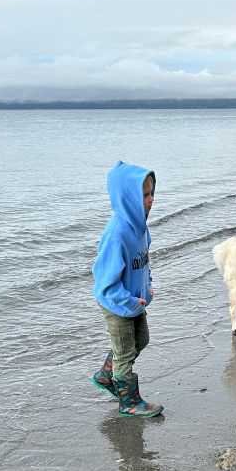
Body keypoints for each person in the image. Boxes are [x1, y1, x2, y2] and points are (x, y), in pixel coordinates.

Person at [90, 160, 163, 418]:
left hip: (136, 300)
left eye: (152, 192)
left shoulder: (141, 229)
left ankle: (105, 375)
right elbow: (106, 283)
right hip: (117, 304)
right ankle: (128, 402)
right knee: (124, 352)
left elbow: (143, 262)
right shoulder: (116, 235)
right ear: (127, 197)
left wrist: (148, 286)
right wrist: (129, 300)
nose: (151, 199)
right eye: (144, 194)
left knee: (141, 340)